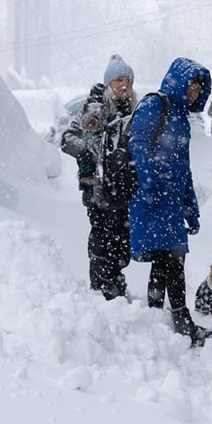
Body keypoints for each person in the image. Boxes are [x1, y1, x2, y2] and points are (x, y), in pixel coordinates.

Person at [128, 57, 212, 347]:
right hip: (152, 200)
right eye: (191, 85)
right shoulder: (154, 105)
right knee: (168, 262)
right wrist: (147, 185)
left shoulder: (182, 119)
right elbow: (138, 145)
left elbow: (184, 168)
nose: (194, 92)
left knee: (170, 262)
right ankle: (178, 323)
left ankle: (164, 322)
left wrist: (190, 207)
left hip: (169, 203)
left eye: (198, 88)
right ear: (178, 82)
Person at [61, 55, 138, 300]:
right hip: (97, 189)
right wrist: (96, 153)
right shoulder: (95, 107)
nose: (124, 85)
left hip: (123, 190)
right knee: (103, 238)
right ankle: (102, 287)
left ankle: (114, 282)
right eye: (118, 80)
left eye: (128, 80)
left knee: (122, 240)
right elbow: (67, 140)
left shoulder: (134, 110)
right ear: (108, 85)